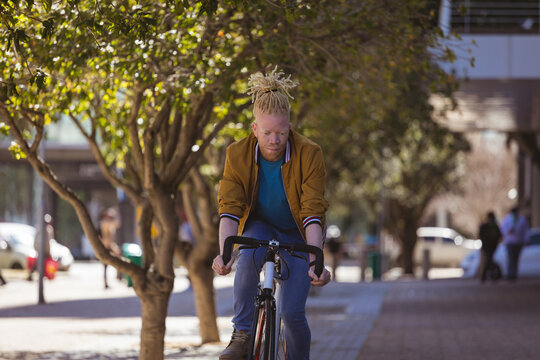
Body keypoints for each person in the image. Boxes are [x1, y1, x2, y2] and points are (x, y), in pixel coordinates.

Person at [212, 67, 331, 360]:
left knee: (292, 313)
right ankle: (241, 336)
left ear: (289, 128)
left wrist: (316, 259)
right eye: (267, 132)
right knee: (249, 255)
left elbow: (312, 213)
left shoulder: (309, 153)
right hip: (260, 225)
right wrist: (225, 255)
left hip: (298, 231)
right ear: (255, 129)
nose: (274, 139)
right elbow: (229, 209)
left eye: (281, 132)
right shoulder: (236, 154)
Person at [500, 206, 529, 281]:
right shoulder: (507, 219)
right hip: (510, 241)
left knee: (516, 258)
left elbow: (526, 231)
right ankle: (510, 274)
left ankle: (514, 273)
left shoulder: (522, 219)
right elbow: (502, 229)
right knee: (511, 258)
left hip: (518, 242)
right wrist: (507, 232)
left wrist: (526, 240)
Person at [98, 207, 121, 289]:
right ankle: (106, 282)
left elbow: (118, 223)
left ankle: (118, 276)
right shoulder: (105, 223)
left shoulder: (110, 223)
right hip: (106, 246)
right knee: (105, 265)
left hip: (111, 245)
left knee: (118, 260)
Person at [27, 214, 53, 281]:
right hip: (42, 249)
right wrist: (36, 247)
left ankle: (42, 275)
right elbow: (37, 240)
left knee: (40, 263)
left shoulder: (48, 229)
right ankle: (37, 274)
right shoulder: (41, 229)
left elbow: (49, 241)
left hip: (45, 249)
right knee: (39, 263)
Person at [477, 211, 502, 283]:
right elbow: (499, 236)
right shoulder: (494, 226)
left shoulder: (488, 226)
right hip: (491, 246)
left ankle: (485, 276)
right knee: (488, 260)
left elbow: (480, 235)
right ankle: (489, 276)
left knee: (487, 261)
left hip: (488, 246)